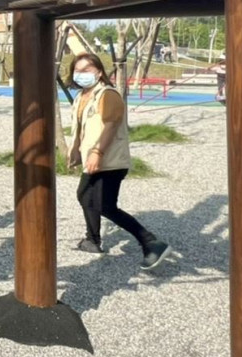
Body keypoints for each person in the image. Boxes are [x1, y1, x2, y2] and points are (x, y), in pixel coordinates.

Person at [67, 54, 170, 269]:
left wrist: (97, 151)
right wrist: (76, 150)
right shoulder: (83, 96)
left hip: (109, 161)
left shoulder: (107, 94)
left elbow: (110, 125)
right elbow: (81, 127)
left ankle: (151, 242)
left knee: (104, 205)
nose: (81, 74)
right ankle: (92, 239)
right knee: (85, 196)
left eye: (87, 69)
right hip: (93, 160)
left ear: (99, 71)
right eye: (78, 70)